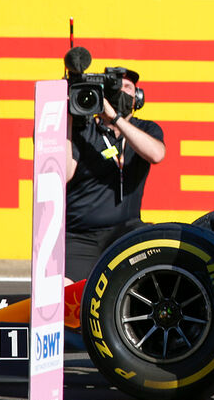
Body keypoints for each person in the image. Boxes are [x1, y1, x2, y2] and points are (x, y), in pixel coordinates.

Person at [65, 60, 165, 282]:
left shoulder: (146, 129)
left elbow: (156, 154)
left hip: (125, 231)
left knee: (151, 273)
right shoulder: (83, 130)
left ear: (138, 97)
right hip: (80, 236)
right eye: (116, 88)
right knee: (64, 290)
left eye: (128, 88)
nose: (122, 92)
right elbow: (64, 172)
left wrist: (116, 119)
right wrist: (69, 120)